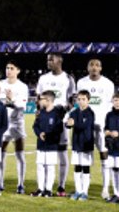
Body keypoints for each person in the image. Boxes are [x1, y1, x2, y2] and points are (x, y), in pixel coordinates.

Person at [36, 53, 76, 195]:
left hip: (62, 120)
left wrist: (63, 111)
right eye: (47, 59)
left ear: (60, 61)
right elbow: (38, 98)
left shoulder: (68, 79)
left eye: (51, 59)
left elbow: (72, 100)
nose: (48, 62)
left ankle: (61, 186)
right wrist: (39, 112)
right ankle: (44, 187)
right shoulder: (43, 78)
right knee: (45, 152)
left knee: (62, 151)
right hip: (46, 119)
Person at [77, 59, 115, 199]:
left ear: (101, 68)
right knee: (86, 158)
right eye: (91, 65)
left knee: (104, 155)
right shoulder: (81, 82)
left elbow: (111, 106)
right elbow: (80, 103)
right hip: (85, 126)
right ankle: (83, 188)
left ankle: (105, 188)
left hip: (102, 126)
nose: (94, 67)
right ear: (87, 67)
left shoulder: (108, 84)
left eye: (97, 65)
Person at [0, 60, 30, 194]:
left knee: (20, 154)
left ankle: (21, 184)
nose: (8, 70)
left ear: (18, 71)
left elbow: (22, 105)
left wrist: (11, 99)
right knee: (0, 153)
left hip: (17, 124)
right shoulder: (0, 84)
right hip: (2, 123)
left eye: (11, 68)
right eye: (7, 67)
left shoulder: (22, 87)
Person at [65, 90, 96, 201]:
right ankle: (78, 190)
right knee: (77, 167)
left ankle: (85, 192)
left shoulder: (90, 113)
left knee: (85, 168)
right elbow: (68, 124)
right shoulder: (74, 112)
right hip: (76, 144)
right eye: (79, 99)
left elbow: (84, 126)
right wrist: (67, 124)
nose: (81, 101)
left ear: (88, 100)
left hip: (86, 144)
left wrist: (74, 124)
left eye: (83, 99)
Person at [32, 90, 62, 197]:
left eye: (41, 99)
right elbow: (35, 126)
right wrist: (39, 133)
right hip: (41, 145)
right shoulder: (41, 113)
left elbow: (58, 130)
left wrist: (47, 135)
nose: (39, 101)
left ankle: (48, 190)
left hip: (51, 145)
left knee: (50, 167)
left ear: (48, 100)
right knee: (40, 166)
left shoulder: (57, 114)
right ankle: (40, 189)